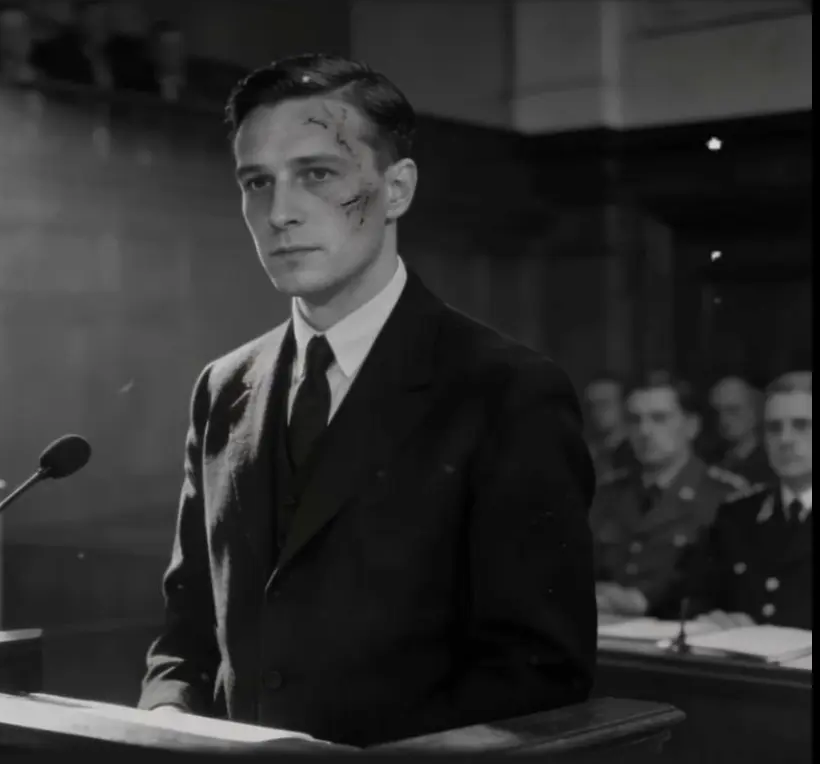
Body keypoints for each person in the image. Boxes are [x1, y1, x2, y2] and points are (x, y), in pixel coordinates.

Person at [136, 54, 597, 748]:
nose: (280, 213)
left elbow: (540, 674)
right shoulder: (223, 387)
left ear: (397, 188)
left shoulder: (506, 390)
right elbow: (188, 631)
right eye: (257, 182)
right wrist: (166, 719)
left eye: (318, 174)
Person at [590, 372, 750, 618]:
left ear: (691, 426)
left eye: (659, 418)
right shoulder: (608, 492)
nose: (644, 431)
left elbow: (725, 590)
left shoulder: (724, 496)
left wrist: (643, 599)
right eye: (635, 420)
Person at [665, 371, 812, 630]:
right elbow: (692, 595)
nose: (785, 439)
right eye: (774, 428)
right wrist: (714, 617)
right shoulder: (738, 514)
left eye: (801, 425)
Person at [706, 374, 774, 486]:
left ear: (754, 411)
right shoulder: (709, 458)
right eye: (717, 412)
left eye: (733, 410)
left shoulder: (771, 463)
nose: (724, 419)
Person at [584, 372, 638, 483]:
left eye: (604, 403)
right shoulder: (588, 452)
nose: (596, 411)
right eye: (592, 405)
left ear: (625, 404)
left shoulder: (640, 449)